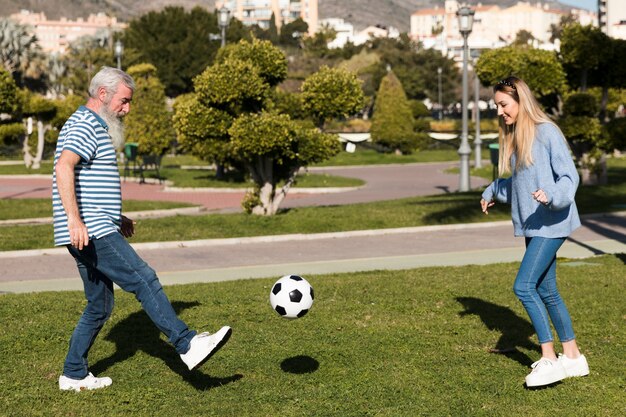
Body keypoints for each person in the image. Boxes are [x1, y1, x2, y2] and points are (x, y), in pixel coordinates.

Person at [53, 66, 231, 392]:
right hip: (88, 230)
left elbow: (88, 182)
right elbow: (64, 166)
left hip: (94, 225)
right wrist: (75, 220)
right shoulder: (84, 124)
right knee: (143, 277)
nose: (127, 108)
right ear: (103, 94)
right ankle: (187, 344)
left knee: (100, 305)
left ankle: (73, 373)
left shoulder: (93, 124)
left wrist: (115, 217)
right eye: (124, 100)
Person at [480, 76, 589, 388]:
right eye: (497, 105)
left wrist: (553, 196)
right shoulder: (519, 137)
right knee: (547, 290)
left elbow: (569, 177)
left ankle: (549, 358)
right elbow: (520, 184)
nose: (500, 111)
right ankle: (573, 356)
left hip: (552, 221)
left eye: (504, 104)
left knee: (524, 286)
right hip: (534, 223)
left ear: (520, 100)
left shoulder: (547, 132)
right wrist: (492, 191)